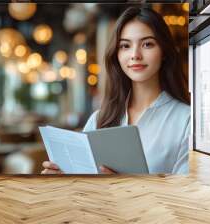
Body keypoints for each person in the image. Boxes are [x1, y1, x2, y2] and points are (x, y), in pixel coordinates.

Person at [41, 6, 190, 175]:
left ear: (164, 51)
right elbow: (80, 189)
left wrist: (122, 188)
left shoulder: (186, 120)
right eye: (125, 46)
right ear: (116, 54)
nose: (135, 55)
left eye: (147, 44)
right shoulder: (99, 119)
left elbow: (187, 195)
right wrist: (59, 179)